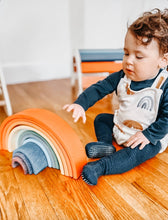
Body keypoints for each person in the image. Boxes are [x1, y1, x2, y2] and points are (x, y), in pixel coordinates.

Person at [63, 8, 168, 185]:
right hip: (122, 126)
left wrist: (148, 135)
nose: (129, 60)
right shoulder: (122, 76)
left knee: (135, 154)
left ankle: (101, 167)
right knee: (101, 119)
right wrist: (81, 104)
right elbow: (99, 88)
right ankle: (106, 145)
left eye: (139, 56)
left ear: (163, 61)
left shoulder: (163, 85)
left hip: (146, 138)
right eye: (126, 53)